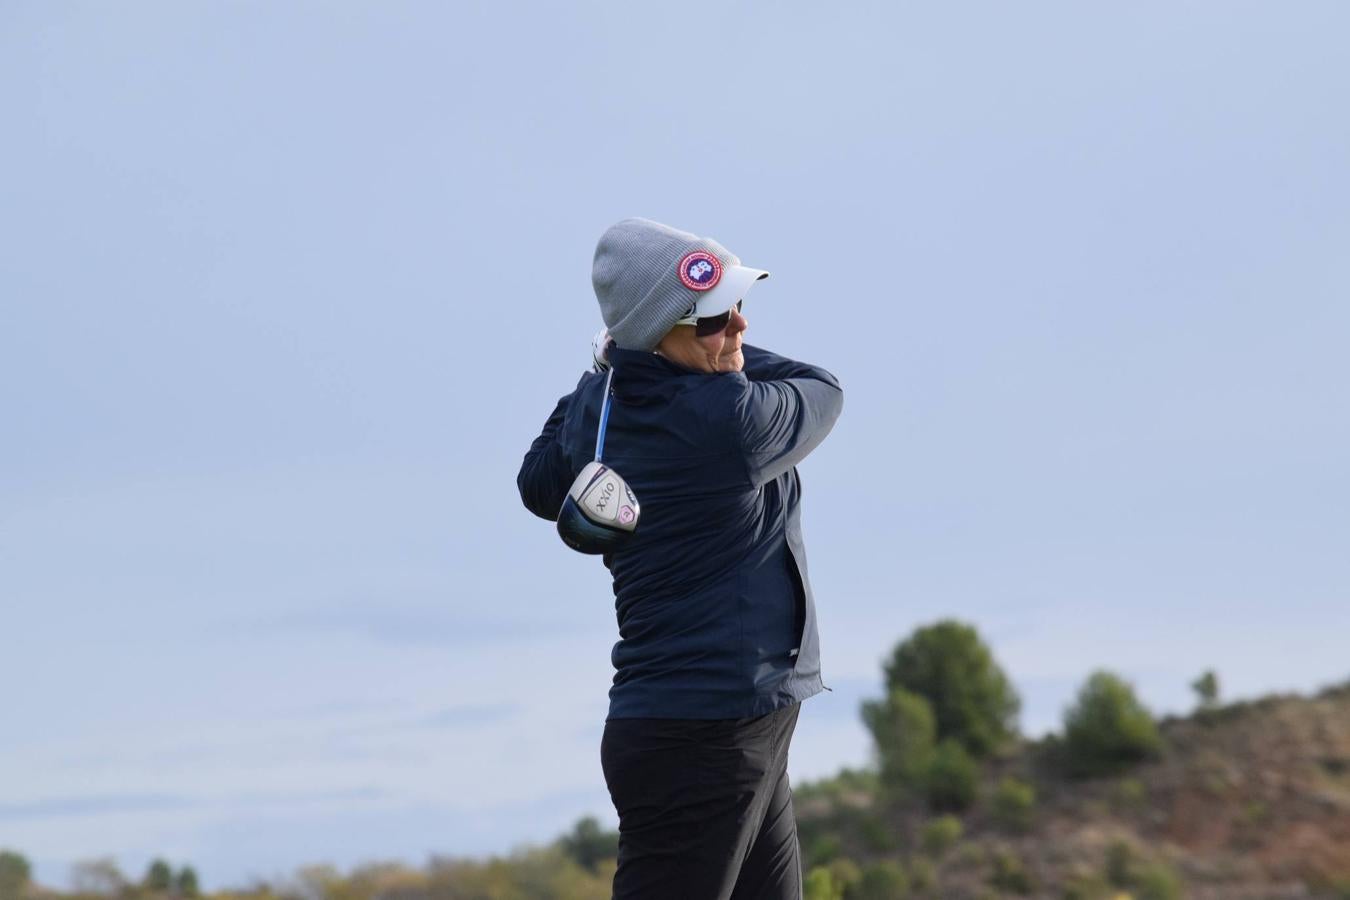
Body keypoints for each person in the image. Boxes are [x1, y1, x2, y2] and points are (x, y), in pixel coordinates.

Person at [517, 217, 843, 899]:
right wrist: (625, 358)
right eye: (712, 320)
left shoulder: (602, 411)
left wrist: (610, 368)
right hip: (705, 739)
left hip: (721, 726)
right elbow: (822, 387)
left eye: (739, 309)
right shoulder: (732, 426)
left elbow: (540, 481)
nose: (739, 331)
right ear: (657, 331)